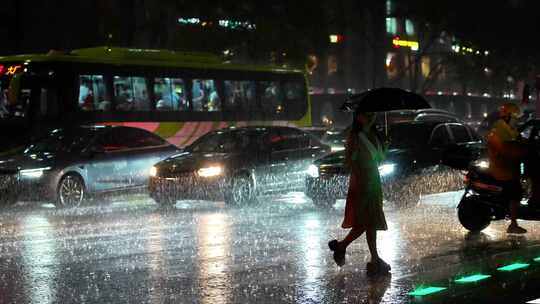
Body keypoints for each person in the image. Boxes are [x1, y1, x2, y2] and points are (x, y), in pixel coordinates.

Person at [328, 110, 390, 275]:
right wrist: (353, 156)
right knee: (367, 221)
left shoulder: (374, 136)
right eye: (366, 114)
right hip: (363, 182)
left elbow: (380, 158)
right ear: (358, 117)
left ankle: (343, 247)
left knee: (368, 222)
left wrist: (385, 146)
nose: (370, 116)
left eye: (372, 114)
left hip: (374, 181)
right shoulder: (355, 137)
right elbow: (350, 162)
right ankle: (374, 259)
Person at [486, 102, 528, 234]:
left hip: (510, 167)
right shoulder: (499, 131)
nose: (517, 121)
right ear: (508, 117)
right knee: (515, 190)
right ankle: (513, 224)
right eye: (515, 118)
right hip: (502, 169)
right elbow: (506, 151)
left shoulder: (509, 130)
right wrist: (521, 151)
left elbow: (520, 140)